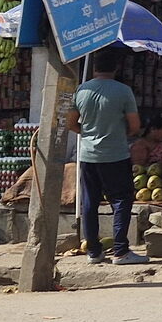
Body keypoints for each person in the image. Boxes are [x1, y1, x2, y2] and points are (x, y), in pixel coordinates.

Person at [67, 47, 145, 265]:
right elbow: (135, 125)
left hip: (88, 156)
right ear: (116, 68)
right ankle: (120, 250)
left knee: (90, 202)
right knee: (121, 200)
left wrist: (87, 134)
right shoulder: (123, 91)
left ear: (94, 68)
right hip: (115, 154)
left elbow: (71, 123)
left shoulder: (81, 90)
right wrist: (119, 134)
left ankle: (93, 251)